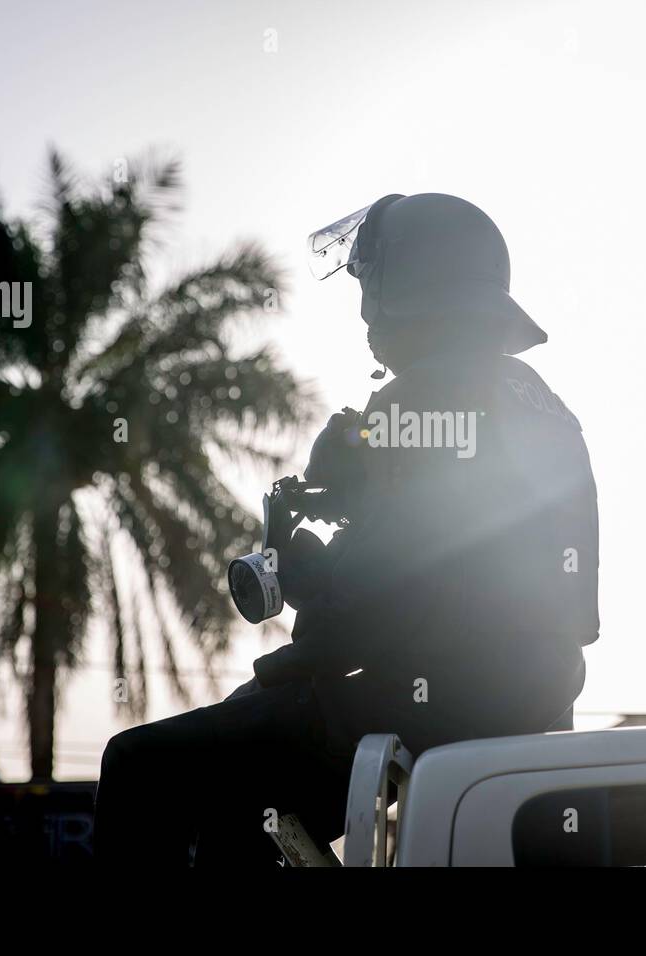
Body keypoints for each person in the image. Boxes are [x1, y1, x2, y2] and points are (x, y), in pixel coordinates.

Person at [95, 193, 599, 867]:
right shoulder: (535, 399)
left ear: (408, 284)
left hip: (432, 699)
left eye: (371, 282)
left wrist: (302, 568)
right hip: (524, 691)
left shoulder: (423, 393)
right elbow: (456, 552)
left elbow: (369, 601)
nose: (364, 308)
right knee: (244, 816)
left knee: (138, 765)